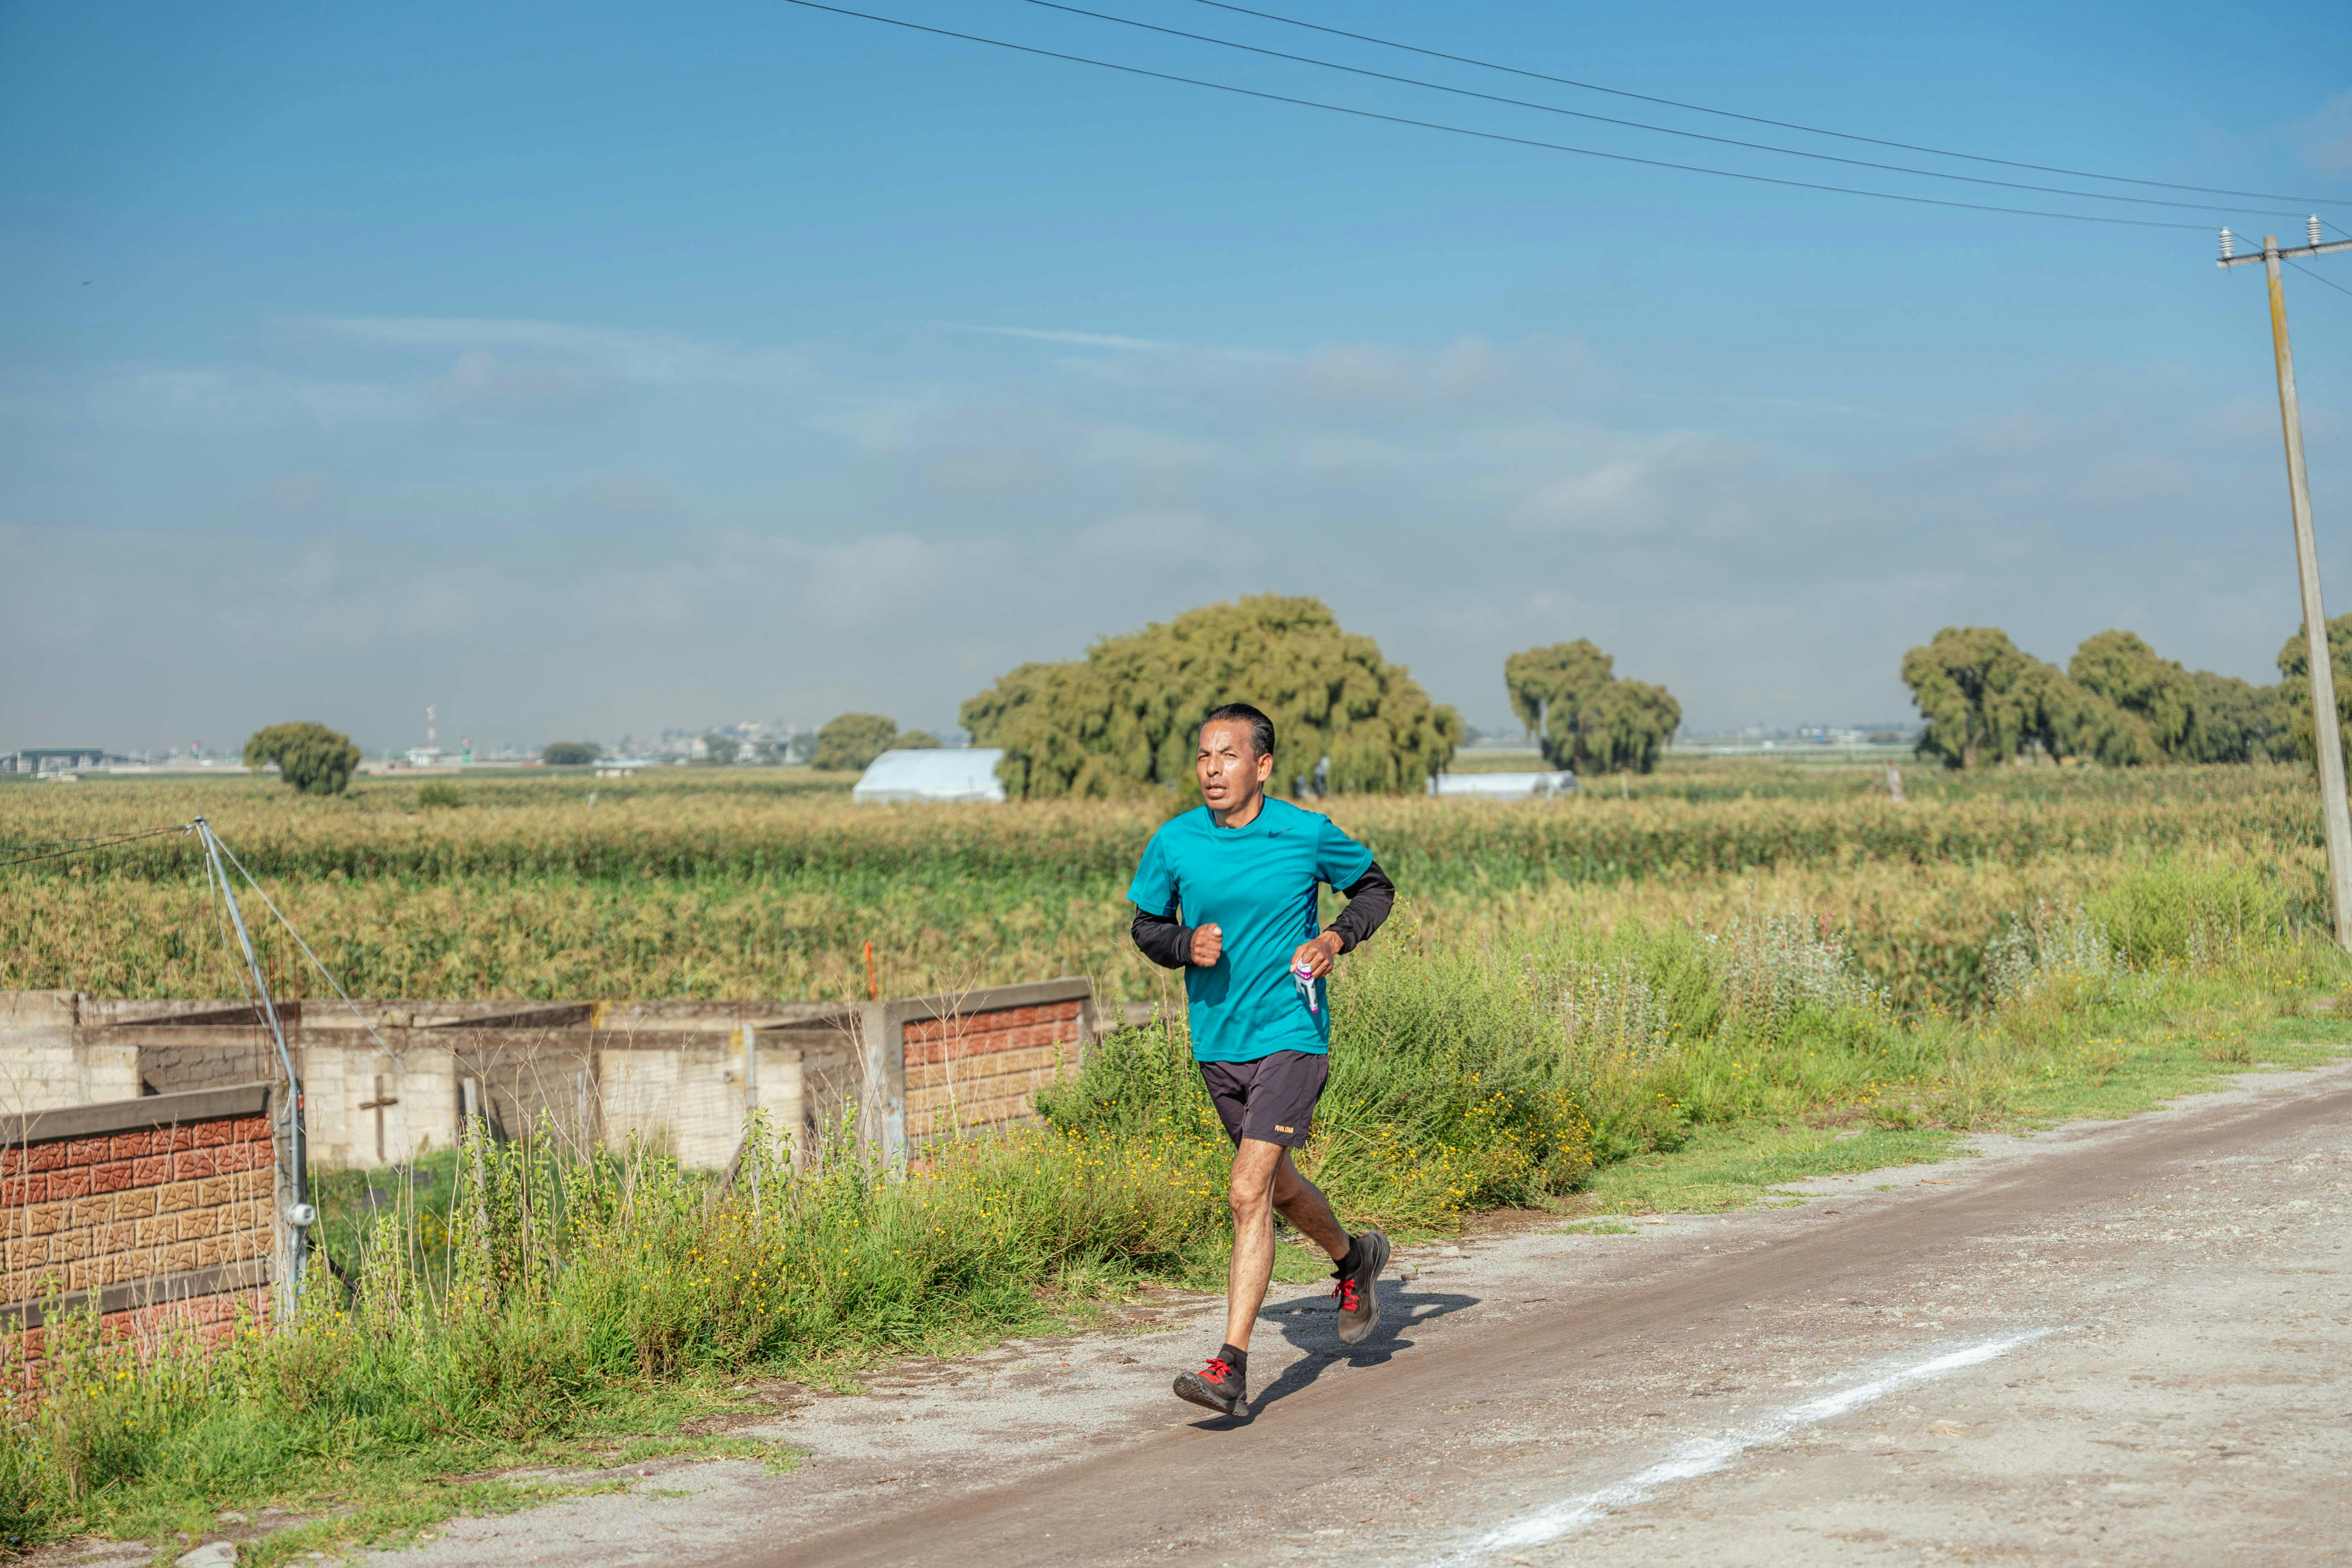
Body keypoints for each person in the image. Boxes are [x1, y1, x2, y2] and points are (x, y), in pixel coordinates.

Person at [1129, 701, 1398, 1418]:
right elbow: (1146, 926)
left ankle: (1231, 1366)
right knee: (1277, 1188)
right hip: (1219, 1040)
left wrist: (1336, 940)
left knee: (1246, 1191)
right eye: (1203, 757)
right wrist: (1186, 945)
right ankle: (1354, 1259)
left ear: (1263, 764)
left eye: (1227, 755)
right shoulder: (1175, 840)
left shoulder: (1304, 832)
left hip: (1292, 1034)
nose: (1213, 769)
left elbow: (1376, 888)